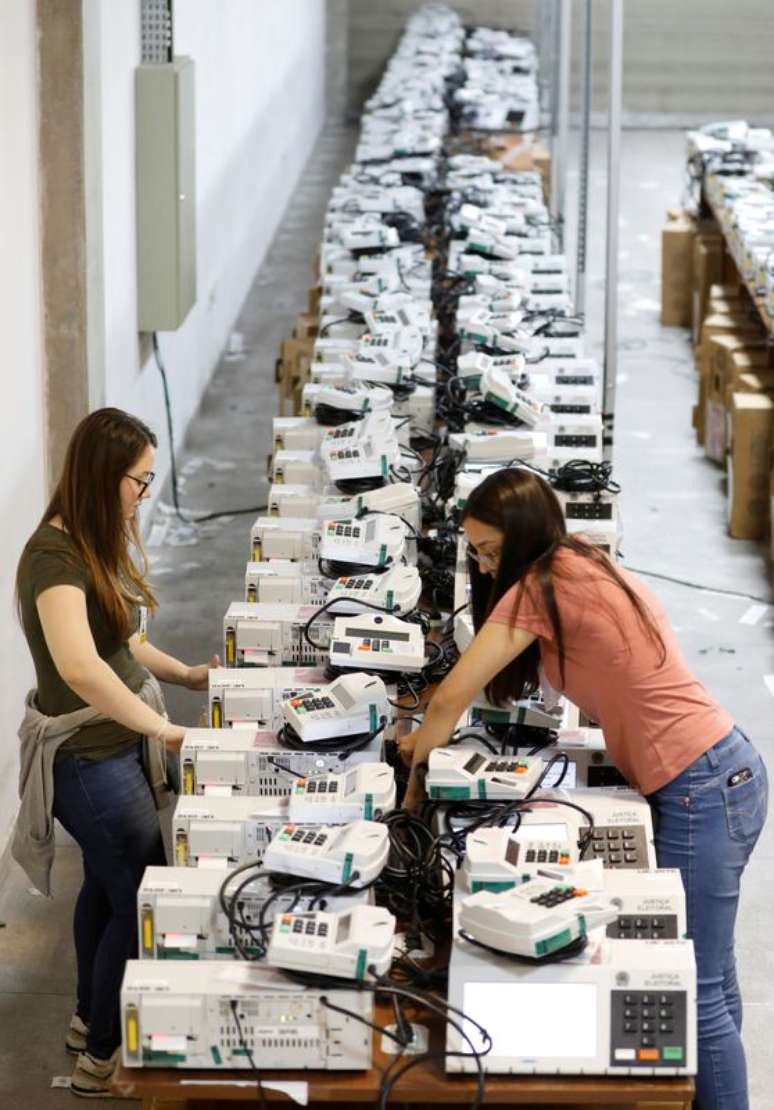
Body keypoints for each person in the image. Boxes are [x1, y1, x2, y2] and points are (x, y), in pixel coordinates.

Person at [399, 467, 767, 1110]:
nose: (484, 569)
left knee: (696, 995)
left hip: (700, 786)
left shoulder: (537, 588)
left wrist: (410, 795)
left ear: (520, 540)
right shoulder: (579, 561)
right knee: (712, 975)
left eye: (489, 552)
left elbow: (451, 701)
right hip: (720, 772)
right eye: (477, 553)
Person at [14, 408, 219, 1098]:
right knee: (142, 899)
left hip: (117, 746)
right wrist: (161, 731)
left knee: (108, 886)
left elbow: (122, 643)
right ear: (106, 477)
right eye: (140, 479)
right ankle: (101, 1057)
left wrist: (187, 676)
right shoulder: (52, 559)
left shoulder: (95, 541)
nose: (145, 493)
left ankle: (83, 1020)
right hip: (86, 761)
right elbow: (80, 667)